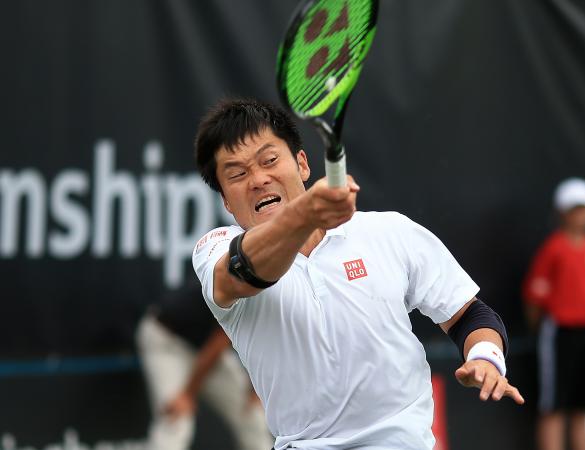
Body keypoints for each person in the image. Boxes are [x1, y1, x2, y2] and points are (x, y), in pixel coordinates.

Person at [191, 97, 524, 450]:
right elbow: (242, 274)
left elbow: (468, 314)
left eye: (269, 160)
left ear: (302, 164)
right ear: (226, 201)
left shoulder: (389, 232)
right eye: (238, 174)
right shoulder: (215, 250)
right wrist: (306, 214)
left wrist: (485, 357)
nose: (258, 179)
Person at [136, 278, 273, 450]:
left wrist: (255, 389)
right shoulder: (243, 277)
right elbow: (216, 344)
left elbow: (267, 340)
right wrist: (187, 394)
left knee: (251, 413)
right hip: (166, 340)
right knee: (177, 418)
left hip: (205, 344)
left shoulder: (284, 286)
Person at [521, 177, 585, 450]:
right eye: (575, 208)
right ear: (562, 213)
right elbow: (534, 298)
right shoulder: (553, 249)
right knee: (553, 407)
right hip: (559, 334)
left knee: (583, 407)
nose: (581, 215)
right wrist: (544, 329)